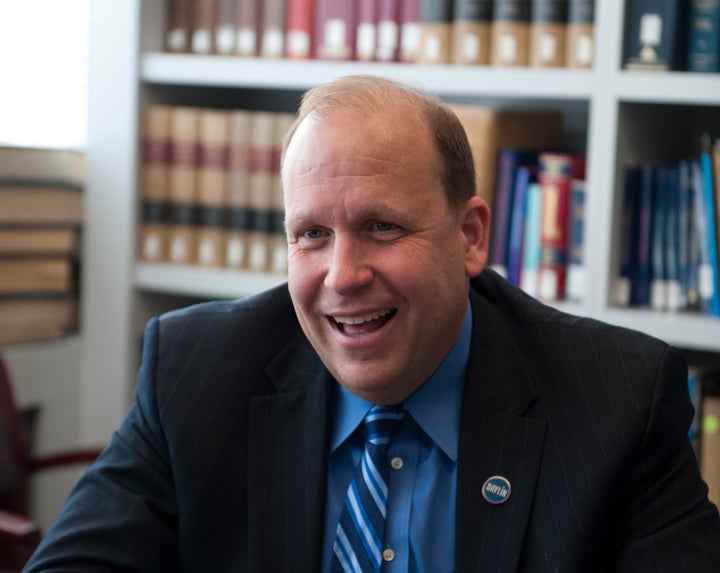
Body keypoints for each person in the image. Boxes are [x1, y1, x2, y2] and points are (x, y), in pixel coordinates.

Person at [23, 75, 720, 572]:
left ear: (471, 236)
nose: (342, 275)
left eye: (381, 227)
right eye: (312, 234)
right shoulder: (194, 370)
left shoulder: (618, 399)